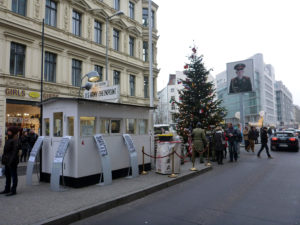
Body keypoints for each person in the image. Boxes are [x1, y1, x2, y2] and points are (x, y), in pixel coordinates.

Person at [1, 126, 20, 196]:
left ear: (13, 132)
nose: (8, 132)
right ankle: (7, 189)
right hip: (7, 160)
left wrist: (10, 161)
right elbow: (6, 151)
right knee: (7, 175)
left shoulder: (15, 140)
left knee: (13, 175)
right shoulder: (9, 139)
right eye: (8, 131)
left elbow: (14, 152)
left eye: (9, 131)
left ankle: (13, 190)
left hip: (12, 161)